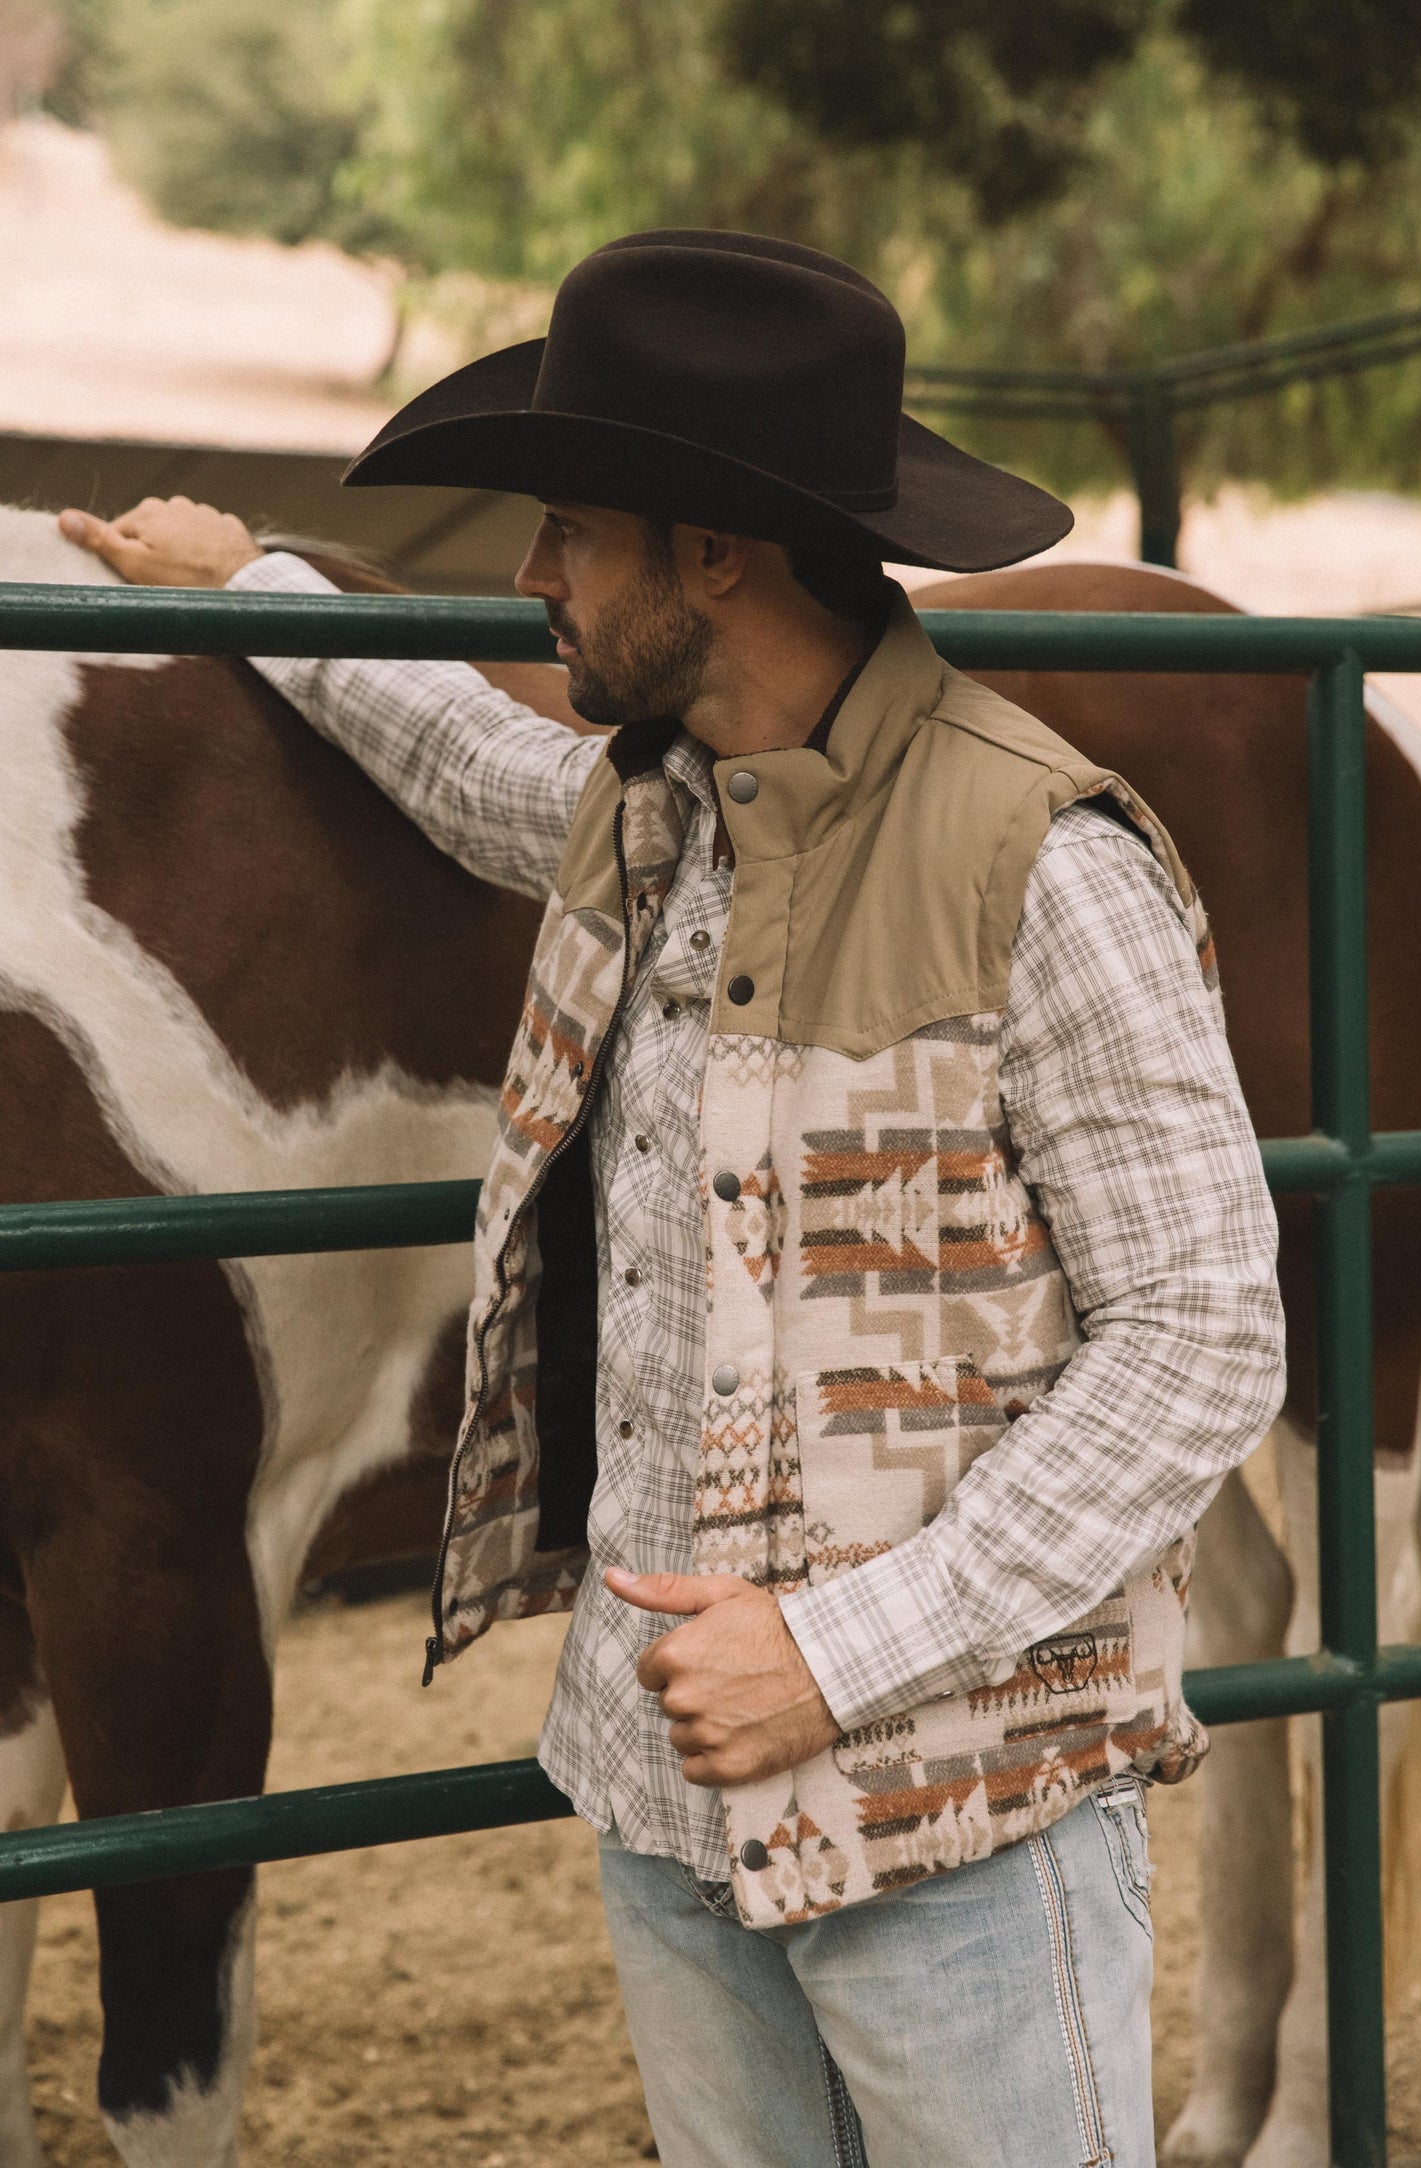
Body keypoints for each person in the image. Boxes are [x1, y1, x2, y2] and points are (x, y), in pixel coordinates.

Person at [59, 229, 1285, 2168]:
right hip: (663, 1809)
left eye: (571, 528)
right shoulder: (656, 812)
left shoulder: (1041, 868)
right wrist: (258, 587)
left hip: (948, 1836)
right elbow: (456, 744)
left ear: (717, 552)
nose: (534, 573)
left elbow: (1208, 1336)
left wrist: (836, 1648)